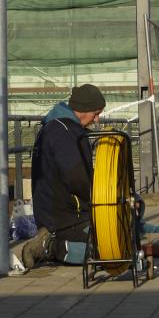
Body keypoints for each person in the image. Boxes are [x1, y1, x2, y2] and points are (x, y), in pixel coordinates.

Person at [22, 84, 104, 268]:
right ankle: (50, 247)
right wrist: (103, 195)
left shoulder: (59, 127)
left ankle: (55, 243)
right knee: (110, 248)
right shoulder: (64, 133)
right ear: (83, 109)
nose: (97, 119)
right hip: (65, 218)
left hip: (60, 213)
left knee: (122, 234)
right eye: (96, 113)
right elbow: (77, 179)